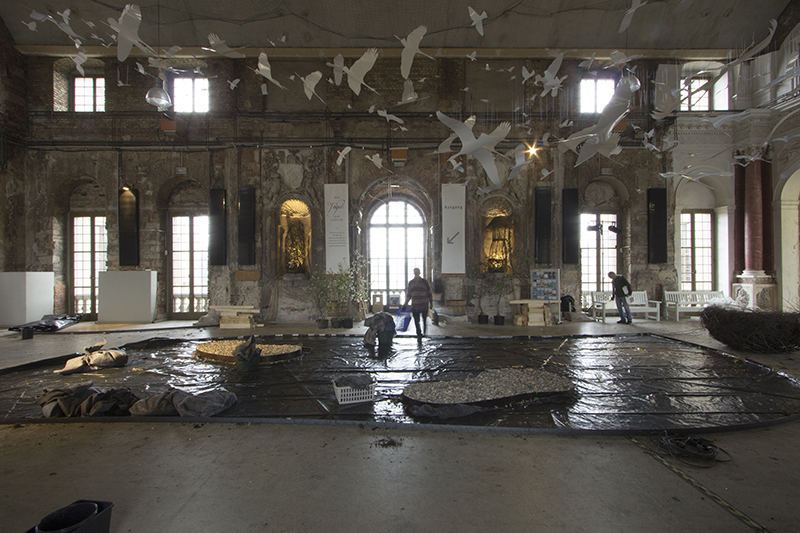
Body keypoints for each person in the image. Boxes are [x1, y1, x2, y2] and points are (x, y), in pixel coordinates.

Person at [404, 268, 433, 338]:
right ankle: (418, 333)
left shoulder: (424, 282)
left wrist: (431, 302)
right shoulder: (411, 283)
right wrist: (406, 303)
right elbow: (409, 294)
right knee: (416, 320)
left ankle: (424, 332)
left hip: (424, 304)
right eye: (415, 272)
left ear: (419, 273)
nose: (416, 273)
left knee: (424, 319)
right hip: (415, 305)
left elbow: (429, 292)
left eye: (417, 272)